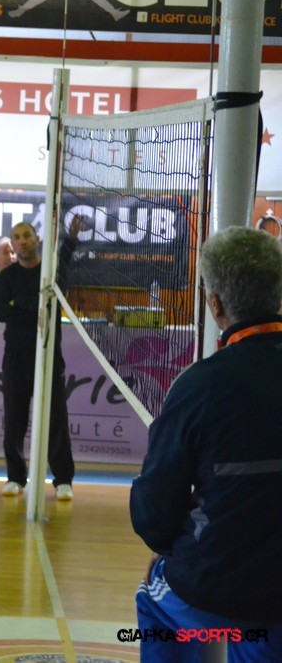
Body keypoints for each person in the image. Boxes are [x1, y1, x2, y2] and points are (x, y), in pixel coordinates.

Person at [130, 226, 282, 662]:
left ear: (215, 304)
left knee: (155, 599)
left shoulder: (199, 386)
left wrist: (168, 550)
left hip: (217, 589)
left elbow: (154, 510)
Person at [0, 217, 80, 500]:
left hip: (49, 355)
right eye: (16, 237)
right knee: (14, 420)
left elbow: (53, 303)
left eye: (26, 235)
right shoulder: (6, 277)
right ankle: (15, 478)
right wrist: (35, 305)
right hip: (16, 357)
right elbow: (0, 312)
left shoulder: (49, 274)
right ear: (13, 244)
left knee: (56, 419)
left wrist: (19, 304)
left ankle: (63, 480)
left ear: (36, 239)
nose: (22, 241)